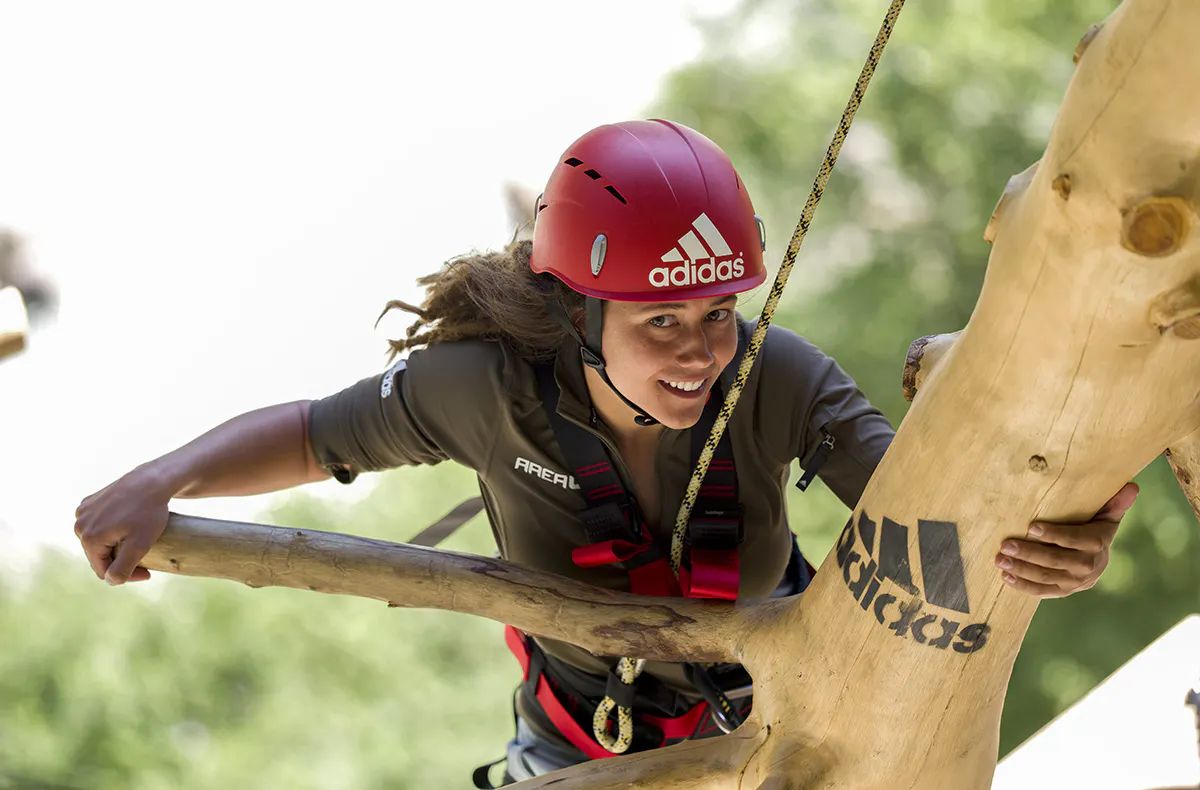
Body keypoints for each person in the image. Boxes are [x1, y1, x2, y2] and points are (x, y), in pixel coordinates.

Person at [73, 119, 1138, 785]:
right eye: (659, 324)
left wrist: (1067, 540)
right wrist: (165, 479)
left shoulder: (776, 379)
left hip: (782, 717)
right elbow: (312, 434)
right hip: (580, 735)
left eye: (717, 314)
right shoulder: (483, 389)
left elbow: (936, 504)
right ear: (575, 313)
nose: (698, 352)